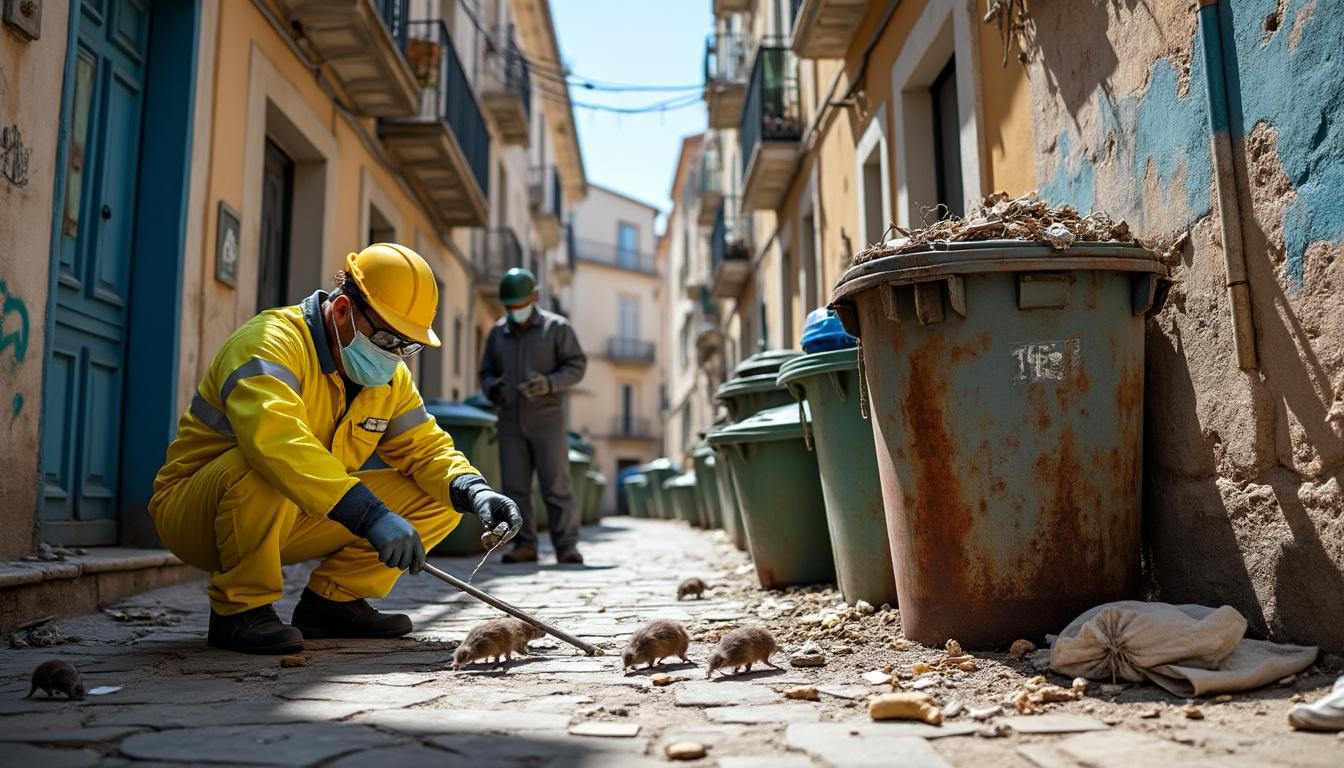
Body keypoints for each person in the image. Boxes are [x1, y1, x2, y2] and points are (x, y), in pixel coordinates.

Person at [148, 244, 523, 655]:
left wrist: (474, 489)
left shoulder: (389, 378)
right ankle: (241, 609)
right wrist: (371, 515)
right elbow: (277, 442)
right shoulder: (269, 342)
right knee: (261, 464)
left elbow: (426, 448)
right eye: (386, 338)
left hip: (297, 515)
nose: (395, 355)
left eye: (407, 345)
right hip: (198, 514)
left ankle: (333, 603)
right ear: (342, 310)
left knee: (441, 497)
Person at [479, 268, 588, 564]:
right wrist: (493, 388)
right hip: (509, 420)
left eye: (519, 304)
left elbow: (577, 365)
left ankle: (566, 545)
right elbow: (485, 372)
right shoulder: (497, 334)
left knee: (556, 485)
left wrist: (550, 383)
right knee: (514, 488)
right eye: (510, 306)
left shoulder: (557, 329)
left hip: (547, 419)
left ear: (535, 298)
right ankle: (524, 545)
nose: (514, 310)